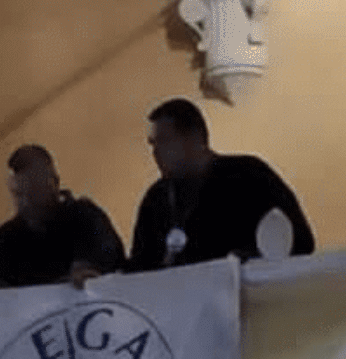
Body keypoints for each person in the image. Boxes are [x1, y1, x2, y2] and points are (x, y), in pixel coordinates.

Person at [127, 98, 314, 272]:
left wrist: (245, 262)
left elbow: (299, 241)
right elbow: (139, 267)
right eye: (153, 144)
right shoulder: (156, 200)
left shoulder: (249, 176)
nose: (156, 152)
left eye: (164, 141)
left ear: (194, 138)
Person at [0, 144, 125, 290]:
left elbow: (114, 263)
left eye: (34, 190)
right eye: (19, 194)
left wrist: (89, 269)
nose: (26, 202)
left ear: (54, 182)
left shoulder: (85, 217)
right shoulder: (4, 240)